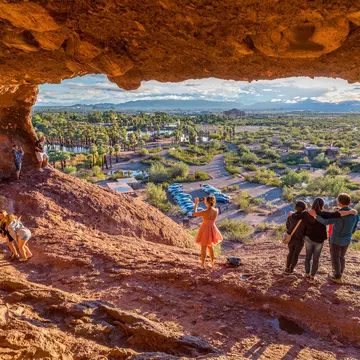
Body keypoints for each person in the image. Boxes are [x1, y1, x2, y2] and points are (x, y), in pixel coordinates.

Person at [289, 198, 356, 280]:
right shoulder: (324, 214)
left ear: (313, 204)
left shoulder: (306, 213)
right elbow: (337, 214)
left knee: (308, 257)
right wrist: (350, 212)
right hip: (319, 240)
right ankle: (312, 275)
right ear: (323, 205)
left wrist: (291, 213)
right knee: (316, 259)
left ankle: (307, 273)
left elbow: (295, 216)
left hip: (308, 239)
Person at [309, 193, 358, 284]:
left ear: (339, 203)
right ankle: (340, 272)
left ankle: (337, 276)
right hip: (347, 239)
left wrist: (315, 216)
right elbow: (354, 227)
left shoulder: (338, 215)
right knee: (342, 257)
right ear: (350, 202)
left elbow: (325, 222)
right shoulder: (355, 214)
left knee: (335, 258)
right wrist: (349, 234)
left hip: (335, 240)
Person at [192, 196, 223, 269]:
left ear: (207, 202)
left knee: (203, 247)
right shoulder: (216, 210)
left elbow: (194, 214)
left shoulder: (205, 212)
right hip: (212, 228)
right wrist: (206, 201)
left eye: (205, 201)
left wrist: (196, 203)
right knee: (210, 246)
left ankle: (203, 264)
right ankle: (212, 263)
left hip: (205, 229)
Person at [285, 201, 307, 274]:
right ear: (304, 208)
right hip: (300, 239)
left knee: (290, 252)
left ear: (296, 208)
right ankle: (291, 269)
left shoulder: (290, 216)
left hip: (291, 237)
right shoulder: (305, 218)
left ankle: (287, 268)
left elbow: (287, 226)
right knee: (296, 254)